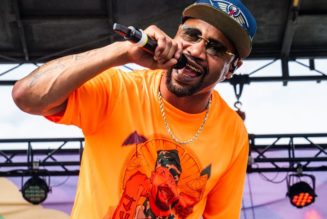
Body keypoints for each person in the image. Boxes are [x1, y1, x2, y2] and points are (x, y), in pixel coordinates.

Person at [12, 0, 256, 218]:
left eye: (216, 48)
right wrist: (123, 52)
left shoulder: (232, 133)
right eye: (191, 35)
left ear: (232, 67)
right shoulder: (119, 90)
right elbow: (27, 97)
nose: (196, 51)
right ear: (176, 34)